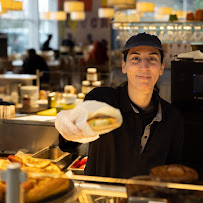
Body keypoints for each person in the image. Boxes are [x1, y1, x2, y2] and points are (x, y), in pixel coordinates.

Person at [55, 33, 184, 179]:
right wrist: (67, 122)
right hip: (100, 199)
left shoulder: (172, 117)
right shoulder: (102, 99)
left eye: (152, 59)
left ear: (161, 68)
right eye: (135, 58)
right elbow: (71, 140)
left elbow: (174, 171)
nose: (144, 66)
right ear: (124, 66)